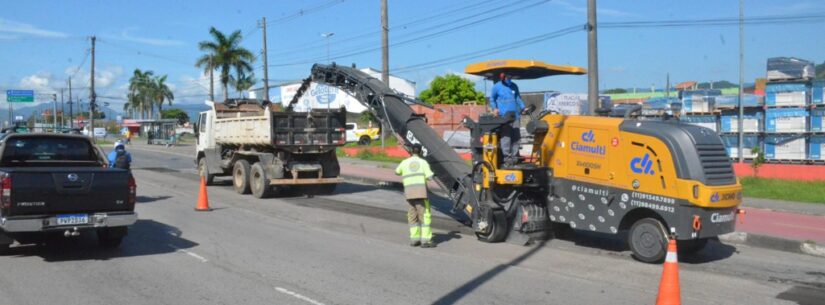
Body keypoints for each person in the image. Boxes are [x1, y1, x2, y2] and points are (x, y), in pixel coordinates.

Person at [395, 144, 435, 248]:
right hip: (421, 194)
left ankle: (414, 239)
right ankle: (425, 241)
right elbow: (430, 177)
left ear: (411, 151)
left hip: (409, 194)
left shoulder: (404, 162)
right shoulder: (423, 162)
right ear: (421, 152)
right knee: (424, 217)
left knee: (412, 217)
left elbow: (397, 172)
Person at [490, 72, 526, 165]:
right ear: (503, 78)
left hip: (515, 115)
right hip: (504, 117)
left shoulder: (514, 86)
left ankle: (515, 157)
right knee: (506, 137)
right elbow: (492, 99)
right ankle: (507, 157)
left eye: (510, 78)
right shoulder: (496, 87)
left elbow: (518, 98)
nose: (509, 80)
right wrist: (495, 109)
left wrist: (523, 107)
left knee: (516, 137)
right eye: (507, 79)